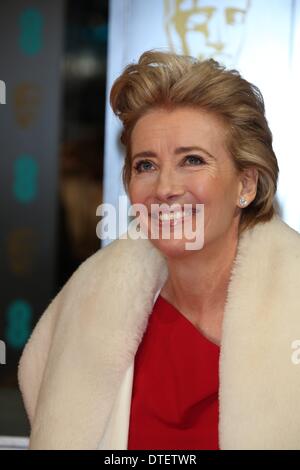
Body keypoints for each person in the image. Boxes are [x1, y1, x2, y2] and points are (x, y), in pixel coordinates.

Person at [18, 50, 300, 450]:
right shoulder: (86, 307)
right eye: (145, 165)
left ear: (246, 185)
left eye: (192, 160)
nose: (165, 188)